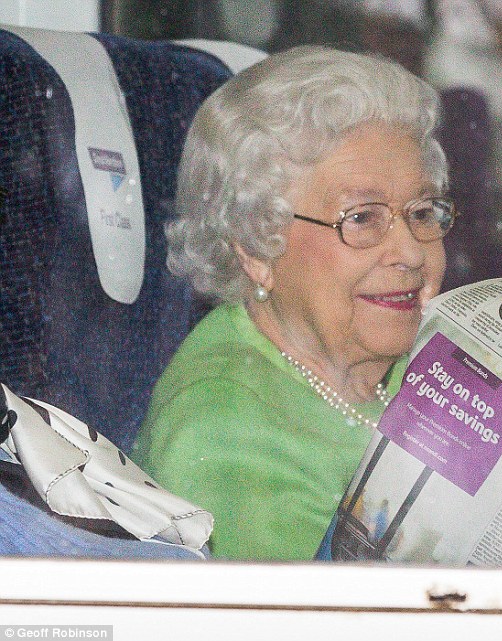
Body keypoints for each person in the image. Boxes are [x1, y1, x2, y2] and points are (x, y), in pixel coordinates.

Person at [132, 46, 454, 561]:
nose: (412, 252)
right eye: (364, 218)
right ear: (256, 246)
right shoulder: (224, 437)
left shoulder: (410, 360)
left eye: (421, 212)